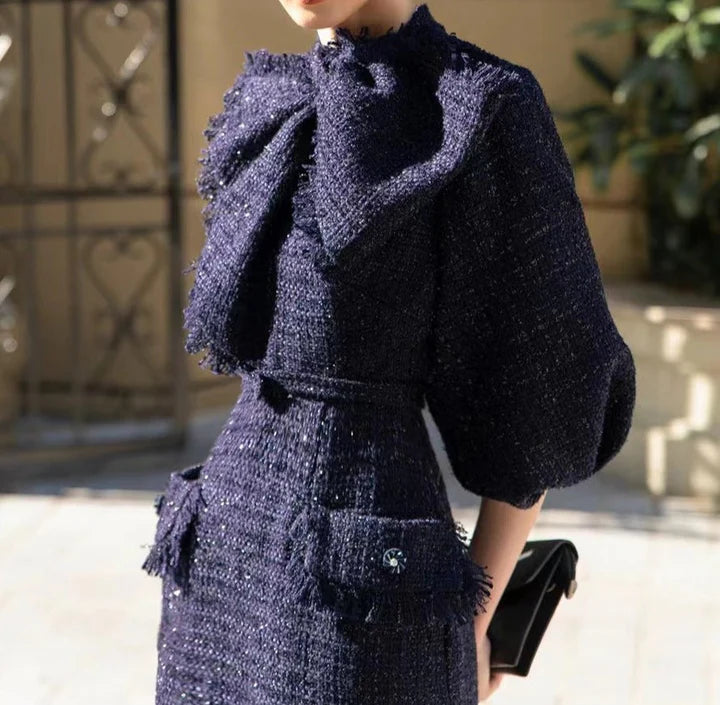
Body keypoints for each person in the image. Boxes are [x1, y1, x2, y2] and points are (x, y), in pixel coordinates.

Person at [142, 2, 637, 704]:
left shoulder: (479, 106)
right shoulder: (273, 96)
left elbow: (539, 401)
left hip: (368, 600)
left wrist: (475, 618)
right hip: (222, 569)